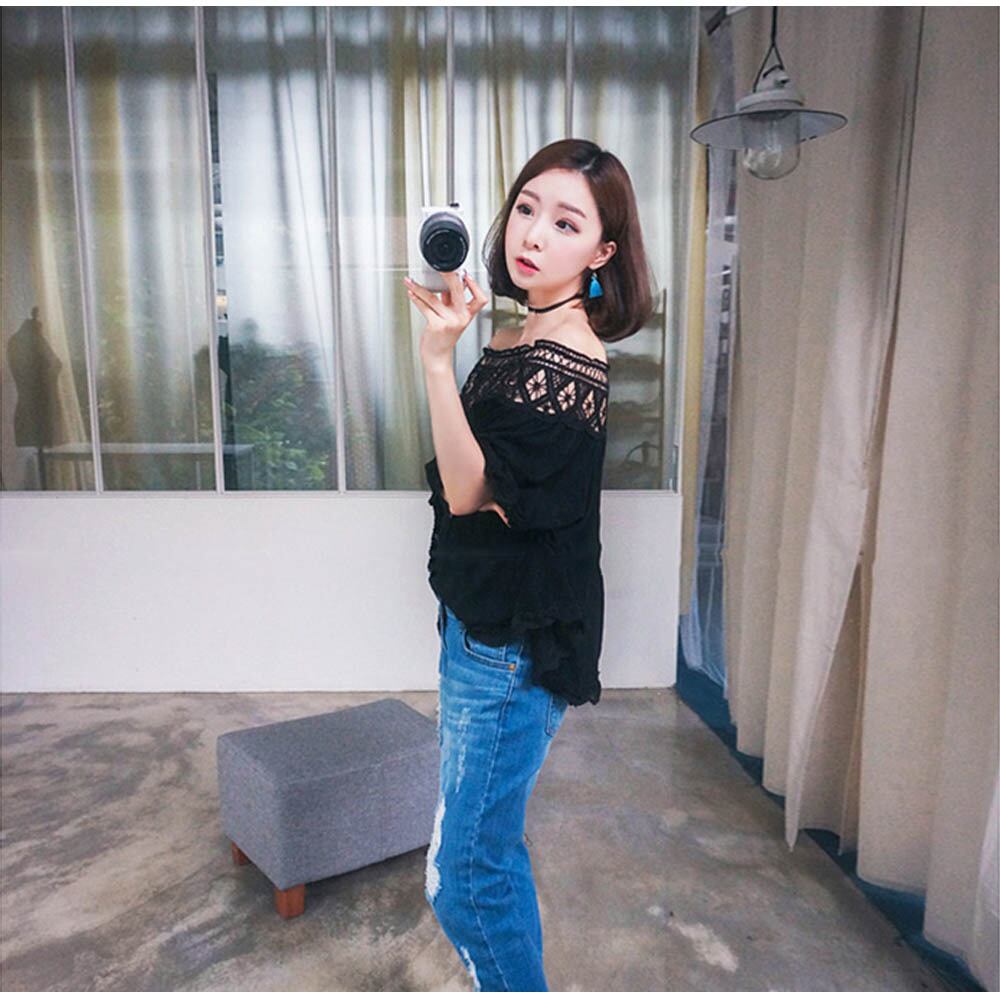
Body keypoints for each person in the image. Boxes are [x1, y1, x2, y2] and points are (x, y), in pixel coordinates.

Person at [406, 138, 655, 991]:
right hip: (478, 625)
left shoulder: (571, 358)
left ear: (602, 253)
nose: (534, 234)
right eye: (526, 208)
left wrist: (437, 360)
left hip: (510, 652)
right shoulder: (519, 333)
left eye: (566, 223)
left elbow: (469, 490)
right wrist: (461, 340)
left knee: (466, 879)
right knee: (472, 854)